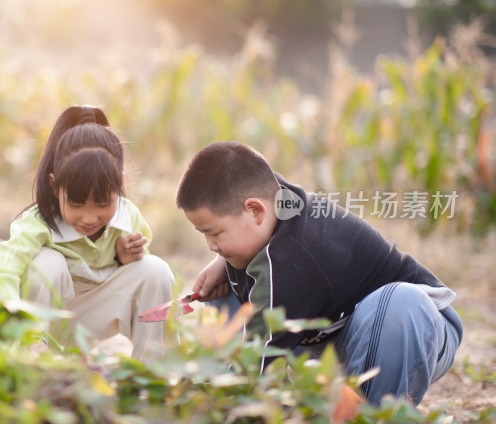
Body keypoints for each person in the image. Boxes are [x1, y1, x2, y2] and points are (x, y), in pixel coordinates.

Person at [176, 141, 463, 405]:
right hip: (335, 335)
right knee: (229, 284)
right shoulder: (273, 199)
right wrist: (222, 263)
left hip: (415, 332)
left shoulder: (295, 258)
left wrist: (209, 402)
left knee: (398, 302)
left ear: (255, 211)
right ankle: (290, 402)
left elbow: (258, 362)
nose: (211, 245)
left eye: (214, 233)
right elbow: (251, 181)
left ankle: (372, 422)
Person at [0, 105, 174, 360]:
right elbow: (2, 271)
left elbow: (139, 284)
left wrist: (121, 261)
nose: (90, 218)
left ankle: (154, 370)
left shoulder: (128, 218)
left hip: (92, 318)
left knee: (155, 269)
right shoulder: (36, 224)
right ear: (55, 186)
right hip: (43, 326)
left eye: (103, 204)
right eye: (77, 204)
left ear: (120, 184)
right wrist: (18, 326)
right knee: (47, 262)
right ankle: (35, 360)